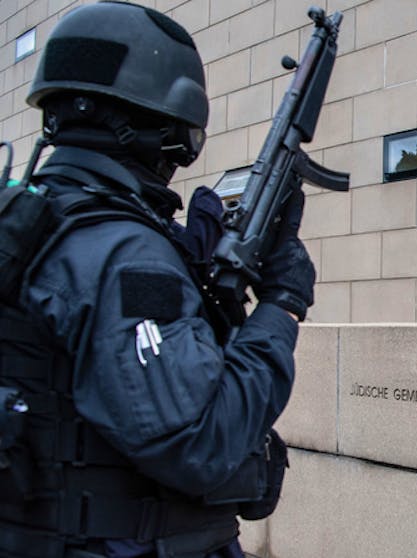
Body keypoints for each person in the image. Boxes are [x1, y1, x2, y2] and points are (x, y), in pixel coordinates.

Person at [0, 2, 314, 556]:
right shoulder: (125, 251)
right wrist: (281, 304)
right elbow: (203, 439)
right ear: (162, 123)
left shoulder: (32, 222)